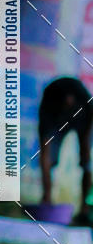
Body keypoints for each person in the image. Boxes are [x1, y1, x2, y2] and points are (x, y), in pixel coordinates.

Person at [38, 76, 93, 223]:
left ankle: (85, 209)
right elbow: (45, 154)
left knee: (86, 161)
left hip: (82, 117)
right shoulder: (49, 109)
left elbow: (87, 141)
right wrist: (47, 197)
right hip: (55, 118)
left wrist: (85, 152)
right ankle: (47, 200)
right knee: (48, 160)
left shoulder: (86, 105)